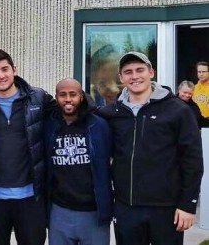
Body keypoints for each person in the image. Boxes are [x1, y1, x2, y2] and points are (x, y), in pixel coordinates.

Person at [97, 51, 203, 245]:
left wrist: (188, 204)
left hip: (167, 209)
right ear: (121, 78)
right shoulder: (110, 113)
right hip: (126, 208)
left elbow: (192, 160)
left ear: (151, 72)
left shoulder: (178, 110)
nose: (134, 76)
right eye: (128, 72)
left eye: (140, 70)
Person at [0, 49, 56, 245]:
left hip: (30, 197)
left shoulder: (38, 98)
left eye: (5, 69)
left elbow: (70, 109)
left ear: (14, 70)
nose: (1, 75)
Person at [45, 78, 112, 245]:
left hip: (93, 211)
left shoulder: (99, 125)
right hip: (60, 211)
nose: (68, 99)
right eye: (63, 95)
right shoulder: (48, 126)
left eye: (73, 94)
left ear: (81, 96)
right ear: (56, 97)